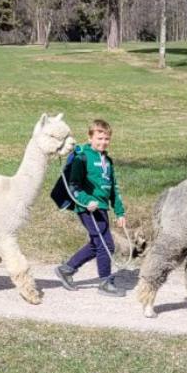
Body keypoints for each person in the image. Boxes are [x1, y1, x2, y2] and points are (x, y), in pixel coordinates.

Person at [54, 118, 127, 296]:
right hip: (88, 208)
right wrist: (87, 202)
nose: (103, 142)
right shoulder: (82, 156)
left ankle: (67, 269)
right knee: (106, 244)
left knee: (97, 244)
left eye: (106, 139)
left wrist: (119, 211)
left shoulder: (107, 161)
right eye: (99, 138)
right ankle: (104, 282)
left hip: (102, 208)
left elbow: (114, 188)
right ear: (90, 137)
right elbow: (74, 186)